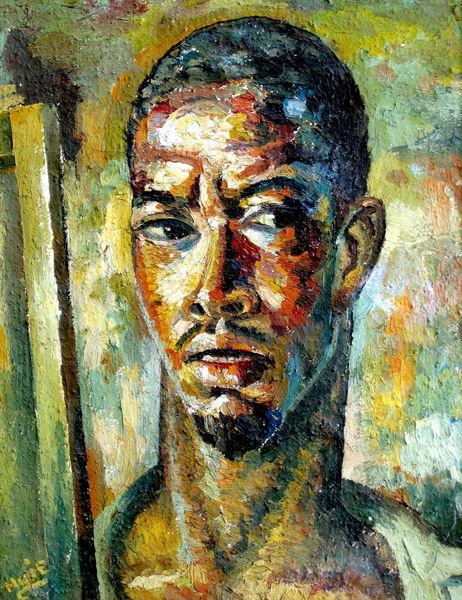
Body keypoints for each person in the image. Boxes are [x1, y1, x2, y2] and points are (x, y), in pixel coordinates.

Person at [98, 16, 405, 599]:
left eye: (270, 218)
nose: (216, 290)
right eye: (168, 227)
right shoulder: (57, 570)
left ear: (353, 252)